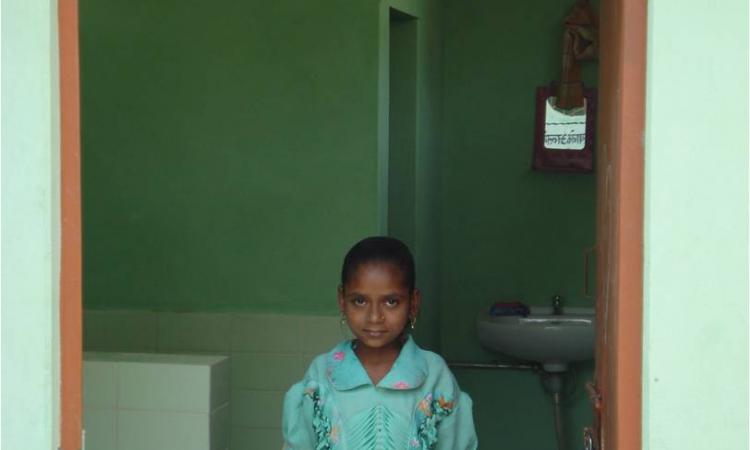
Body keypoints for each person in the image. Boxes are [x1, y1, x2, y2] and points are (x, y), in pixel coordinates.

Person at [282, 236, 478, 450]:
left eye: (391, 302)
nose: (374, 317)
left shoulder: (434, 376)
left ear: (413, 302)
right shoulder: (321, 376)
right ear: (342, 299)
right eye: (360, 301)